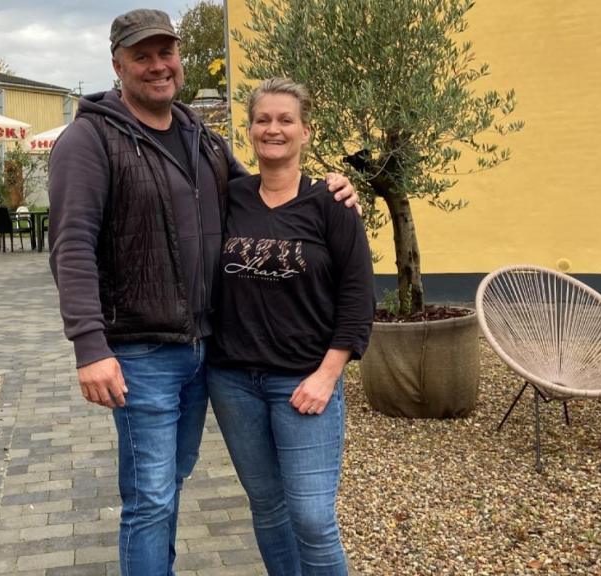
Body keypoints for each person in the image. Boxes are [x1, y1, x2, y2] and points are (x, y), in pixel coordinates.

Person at [47, 10, 358, 576]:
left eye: (166, 53)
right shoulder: (89, 140)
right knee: (151, 499)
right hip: (140, 354)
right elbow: (71, 246)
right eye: (142, 56)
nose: (158, 66)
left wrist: (327, 190)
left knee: (171, 484)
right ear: (117, 65)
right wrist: (89, 347)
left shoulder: (202, 140)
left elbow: (262, 191)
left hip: (204, 353)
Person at [207, 78, 375, 576]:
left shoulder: (333, 204)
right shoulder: (229, 198)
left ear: (305, 132)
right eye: (263, 120)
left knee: (313, 517)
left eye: (285, 120)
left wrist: (328, 375)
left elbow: (358, 297)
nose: (273, 129)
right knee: (268, 507)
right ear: (251, 129)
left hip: (304, 381)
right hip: (234, 381)